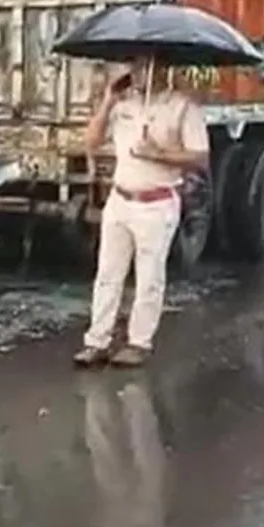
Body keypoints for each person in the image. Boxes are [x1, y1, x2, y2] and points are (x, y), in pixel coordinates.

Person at [74, 59, 210, 368]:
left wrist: (158, 154)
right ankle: (97, 341)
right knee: (107, 274)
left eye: (146, 66)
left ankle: (138, 342)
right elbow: (91, 141)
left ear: (162, 69)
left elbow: (200, 158)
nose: (137, 73)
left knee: (149, 277)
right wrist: (108, 101)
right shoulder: (124, 104)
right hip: (120, 199)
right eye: (135, 66)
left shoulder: (182, 107)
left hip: (157, 203)